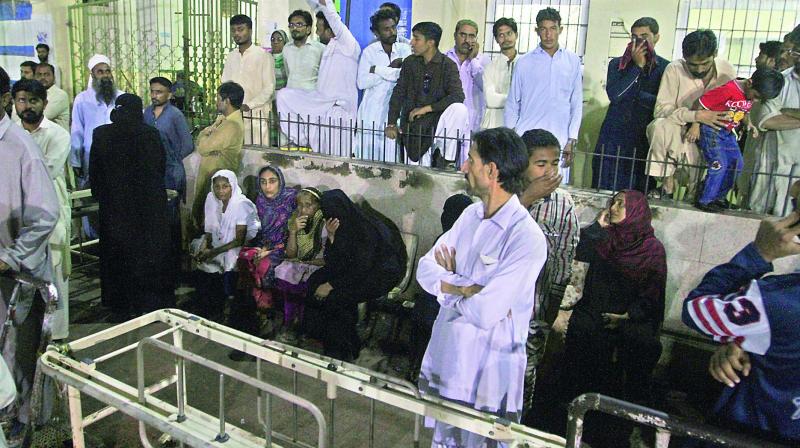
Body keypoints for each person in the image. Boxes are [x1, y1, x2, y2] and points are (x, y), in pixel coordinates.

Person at [417, 127, 547, 447]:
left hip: (489, 375)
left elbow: (487, 311)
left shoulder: (525, 237)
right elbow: (424, 270)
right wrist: (464, 288)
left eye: (470, 160)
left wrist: (447, 286)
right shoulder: (468, 217)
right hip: (450, 360)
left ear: (491, 170)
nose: (464, 167)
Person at [681, 209, 800, 445]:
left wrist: (759, 253)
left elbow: (695, 309)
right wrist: (738, 340)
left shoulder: (776, 302)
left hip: (747, 434)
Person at [560, 190, 666, 448]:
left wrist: (628, 316)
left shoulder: (652, 250)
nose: (615, 207)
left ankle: (617, 427)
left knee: (634, 346)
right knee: (581, 329)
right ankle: (575, 416)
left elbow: (653, 292)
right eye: (614, 202)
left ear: (638, 211)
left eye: (622, 204)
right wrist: (596, 226)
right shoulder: (605, 239)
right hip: (595, 311)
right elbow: (580, 249)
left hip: (629, 315)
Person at [0, 66, 59, 443]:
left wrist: (11, 257)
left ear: (4, 98)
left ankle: (25, 423)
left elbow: (45, 213)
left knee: (18, 356)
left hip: (17, 277)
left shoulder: (20, 148)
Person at [89, 93, 172, 320]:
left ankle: (120, 306)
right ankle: (146, 303)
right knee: (144, 256)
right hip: (147, 210)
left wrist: (105, 197)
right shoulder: (150, 134)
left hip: (115, 209)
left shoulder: (102, 134)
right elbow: (159, 168)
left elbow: (94, 175)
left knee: (117, 257)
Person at [302, 189, 405, 361]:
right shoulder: (339, 226)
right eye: (328, 213)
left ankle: (343, 348)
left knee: (338, 298)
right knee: (315, 280)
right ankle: (319, 334)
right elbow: (333, 261)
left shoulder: (364, 229)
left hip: (380, 274)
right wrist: (332, 237)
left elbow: (361, 267)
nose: (333, 217)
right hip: (355, 270)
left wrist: (330, 285)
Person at [518, 129, 580, 414]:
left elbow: (565, 260)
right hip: (497, 310)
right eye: (541, 164)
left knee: (526, 378)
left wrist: (553, 310)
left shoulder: (563, 205)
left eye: (554, 163)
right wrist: (526, 199)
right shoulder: (503, 194)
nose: (550, 171)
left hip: (536, 310)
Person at [12, 79, 71, 341]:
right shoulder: (11, 133)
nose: (27, 106)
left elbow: (46, 172)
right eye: (22, 100)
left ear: (44, 104)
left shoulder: (57, 134)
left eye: (33, 101)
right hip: (16, 214)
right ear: (13, 102)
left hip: (50, 211)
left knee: (54, 274)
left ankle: (57, 338)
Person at [646, 30, 736, 199]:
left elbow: (731, 107)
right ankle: (667, 185)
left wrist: (703, 123)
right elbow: (661, 110)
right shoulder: (674, 69)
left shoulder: (727, 72)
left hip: (713, 131)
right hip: (679, 129)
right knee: (658, 126)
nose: (699, 69)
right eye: (693, 65)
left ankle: (702, 193)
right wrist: (695, 116)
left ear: (715, 54)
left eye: (705, 63)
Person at [505, 7, 583, 184]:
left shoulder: (572, 61)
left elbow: (576, 103)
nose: (548, 34)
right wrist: (512, 138)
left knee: (557, 190)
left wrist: (572, 138)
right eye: (543, 29)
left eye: (553, 28)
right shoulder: (524, 63)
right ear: (537, 30)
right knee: (525, 187)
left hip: (560, 138)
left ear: (560, 30)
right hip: (527, 136)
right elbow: (512, 103)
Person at [690, 68, 784, 212]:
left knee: (737, 164)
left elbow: (742, 112)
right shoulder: (728, 90)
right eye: (756, 96)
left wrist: (750, 124)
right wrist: (695, 125)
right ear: (750, 83)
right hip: (712, 130)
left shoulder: (749, 95)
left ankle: (718, 197)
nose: (756, 100)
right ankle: (704, 199)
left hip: (727, 133)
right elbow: (702, 103)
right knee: (719, 163)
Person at [592, 17, 669, 192]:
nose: (639, 42)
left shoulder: (666, 68)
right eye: (635, 37)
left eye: (644, 36)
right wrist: (637, 67)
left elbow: (663, 105)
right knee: (605, 188)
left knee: (636, 194)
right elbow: (616, 95)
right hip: (613, 137)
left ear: (656, 37)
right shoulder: (618, 64)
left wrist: (640, 97)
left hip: (642, 140)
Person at [277, 0, 360, 156]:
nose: (316, 33)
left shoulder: (347, 44)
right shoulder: (329, 46)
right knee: (284, 96)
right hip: (321, 104)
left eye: (319, 29)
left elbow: (333, 19)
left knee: (337, 157)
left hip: (339, 109)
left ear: (331, 30)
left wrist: (327, 3)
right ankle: (300, 140)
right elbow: (319, 10)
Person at [408, 193, 473, 382]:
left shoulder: (472, 241)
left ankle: (418, 370)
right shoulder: (444, 238)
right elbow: (428, 273)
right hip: (435, 302)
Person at [386, 22, 469, 167]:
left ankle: (446, 160)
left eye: (416, 39)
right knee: (414, 178)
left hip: (437, 122)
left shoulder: (447, 65)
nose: (412, 42)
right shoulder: (410, 63)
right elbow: (398, 93)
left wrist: (427, 108)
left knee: (460, 109)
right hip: (414, 124)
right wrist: (392, 123)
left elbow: (458, 96)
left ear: (430, 42)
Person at [192, 170, 260, 323]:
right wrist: (205, 246)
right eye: (217, 187)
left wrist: (212, 252)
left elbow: (239, 240)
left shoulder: (241, 204)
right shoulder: (211, 199)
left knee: (224, 263)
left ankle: (224, 309)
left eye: (225, 187)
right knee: (200, 259)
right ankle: (209, 308)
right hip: (218, 242)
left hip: (236, 246)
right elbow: (209, 230)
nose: (220, 191)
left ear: (233, 186)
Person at [144, 76, 194, 278]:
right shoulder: (146, 113)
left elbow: (188, 144)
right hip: (151, 172)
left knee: (171, 218)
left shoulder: (175, 115)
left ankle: (173, 265)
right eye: (153, 91)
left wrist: (172, 161)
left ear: (169, 94)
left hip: (171, 172)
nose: (155, 95)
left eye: (159, 92)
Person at [749, 28, 800, 216]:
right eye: (795, 52)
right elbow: (768, 120)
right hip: (772, 164)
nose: (793, 56)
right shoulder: (781, 81)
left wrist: (788, 113)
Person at [355, 7, 412, 162]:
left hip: (394, 111)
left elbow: (404, 77)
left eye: (394, 27)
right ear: (376, 32)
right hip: (371, 111)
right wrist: (389, 69)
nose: (392, 32)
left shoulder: (405, 50)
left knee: (391, 158)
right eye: (386, 29)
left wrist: (378, 70)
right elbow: (361, 82)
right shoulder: (369, 52)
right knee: (367, 157)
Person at [238, 166, 297, 312]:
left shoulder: (291, 200)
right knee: (244, 259)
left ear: (280, 182)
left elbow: (292, 234)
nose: (267, 187)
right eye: (263, 182)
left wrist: (268, 251)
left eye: (272, 181)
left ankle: (271, 308)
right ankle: (256, 303)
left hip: (284, 246)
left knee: (266, 267)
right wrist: (260, 248)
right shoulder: (260, 200)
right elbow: (259, 230)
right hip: (263, 244)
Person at [274, 187, 327, 343]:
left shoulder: (324, 225)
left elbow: (327, 259)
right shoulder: (295, 221)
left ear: (318, 206)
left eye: (308, 205)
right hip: (300, 264)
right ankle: (289, 323)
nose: (303, 209)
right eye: (300, 205)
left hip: (317, 265)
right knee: (287, 276)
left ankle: (302, 327)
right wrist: (293, 231)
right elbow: (291, 254)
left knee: (305, 287)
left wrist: (304, 261)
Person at [191, 81, 245, 231]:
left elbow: (202, 147)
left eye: (218, 98)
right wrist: (206, 136)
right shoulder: (223, 120)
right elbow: (203, 138)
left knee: (210, 222)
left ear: (226, 101)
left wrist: (206, 136)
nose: (216, 101)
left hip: (217, 180)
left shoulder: (230, 125)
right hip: (211, 175)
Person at [70, 54, 124, 187]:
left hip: (119, 157)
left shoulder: (122, 98)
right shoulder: (82, 100)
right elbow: (77, 132)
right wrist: (76, 161)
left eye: (108, 71)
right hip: (92, 157)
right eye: (100, 72)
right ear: (92, 75)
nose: (105, 75)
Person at [222, 14, 275, 146]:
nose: (236, 34)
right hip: (233, 114)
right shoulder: (231, 56)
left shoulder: (263, 56)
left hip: (256, 114)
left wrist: (249, 105)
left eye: (240, 29)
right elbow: (225, 84)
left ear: (250, 31)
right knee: (234, 151)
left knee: (257, 154)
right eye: (233, 30)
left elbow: (269, 88)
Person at [446, 20, 489, 135]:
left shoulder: (483, 61)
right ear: (455, 36)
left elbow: (485, 87)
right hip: (450, 121)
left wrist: (473, 60)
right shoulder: (445, 59)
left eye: (471, 36)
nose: (467, 40)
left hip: (474, 123)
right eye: (463, 35)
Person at [481, 17, 518, 129]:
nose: (506, 38)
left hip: (519, 126)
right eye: (501, 35)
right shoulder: (490, 67)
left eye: (509, 33)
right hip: (494, 125)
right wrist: (517, 100)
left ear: (516, 35)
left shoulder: (526, 65)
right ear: (496, 40)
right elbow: (491, 100)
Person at [282, 9, 325, 91]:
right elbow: (288, 73)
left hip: (311, 99)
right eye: (291, 25)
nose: (294, 28)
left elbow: (324, 77)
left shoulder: (320, 49)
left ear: (308, 29)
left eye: (299, 24)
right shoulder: (286, 48)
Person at [34, 63, 69, 131]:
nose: (42, 77)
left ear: (54, 77)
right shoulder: (33, 94)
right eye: (39, 74)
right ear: (34, 77)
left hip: (58, 139)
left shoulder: (60, 95)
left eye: (46, 74)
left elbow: (42, 117)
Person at [270, 30, 290, 145]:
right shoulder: (267, 58)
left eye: (279, 39)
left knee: (283, 125)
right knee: (272, 124)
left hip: (284, 98)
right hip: (270, 97)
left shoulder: (287, 58)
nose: (275, 42)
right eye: (273, 40)